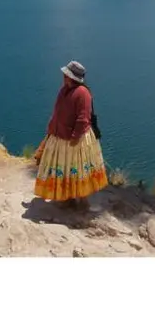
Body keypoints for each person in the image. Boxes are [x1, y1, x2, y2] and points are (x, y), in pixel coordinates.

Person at [33, 59, 108, 210]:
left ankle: (82, 200)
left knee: (78, 170)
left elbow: (83, 118)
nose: (63, 77)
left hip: (76, 140)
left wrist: (75, 137)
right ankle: (67, 198)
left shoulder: (82, 93)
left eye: (66, 75)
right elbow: (57, 111)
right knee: (66, 170)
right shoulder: (64, 90)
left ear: (72, 77)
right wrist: (51, 129)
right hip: (60, 137)